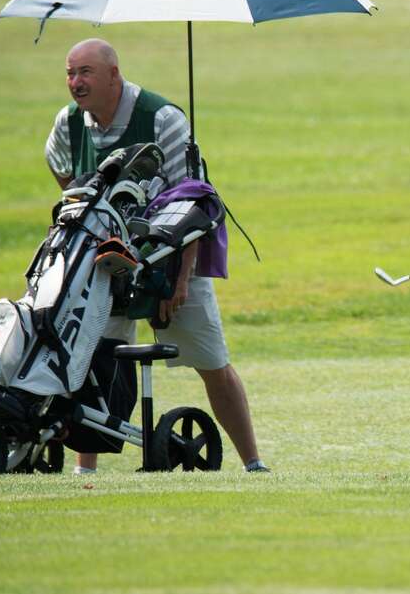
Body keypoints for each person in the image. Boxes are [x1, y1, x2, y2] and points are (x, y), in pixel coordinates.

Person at [44, 37, 268, 473]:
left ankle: (253, 463)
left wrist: (181, 280)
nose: (76, 83)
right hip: (101, 263)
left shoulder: (162, 117)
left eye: (85, 72)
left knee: (209, 359)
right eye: (70, 73)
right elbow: (61, 170)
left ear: (114, 74)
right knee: (92, 359)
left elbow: (196, 203)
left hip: (171, 254)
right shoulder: (68, 123)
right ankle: (84, 471)